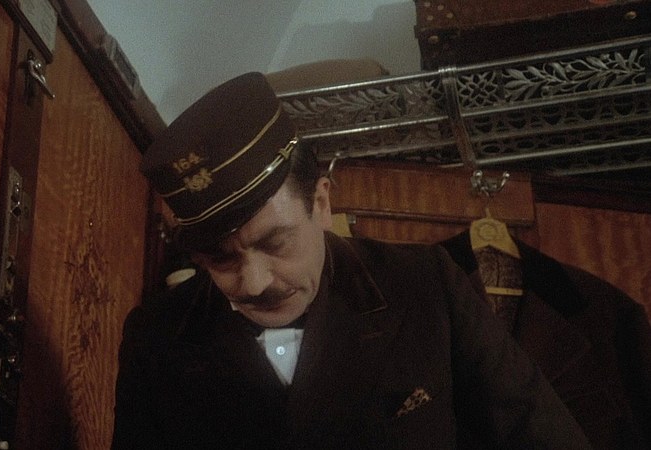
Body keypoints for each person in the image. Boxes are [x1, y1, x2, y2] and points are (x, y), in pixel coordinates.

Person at [112, 72, 592, 449]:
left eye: (276, 243)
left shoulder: (425, 285)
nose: (254, 283)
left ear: (321, 203)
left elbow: (539, 433)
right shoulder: (155, 337)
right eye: (220, 259)